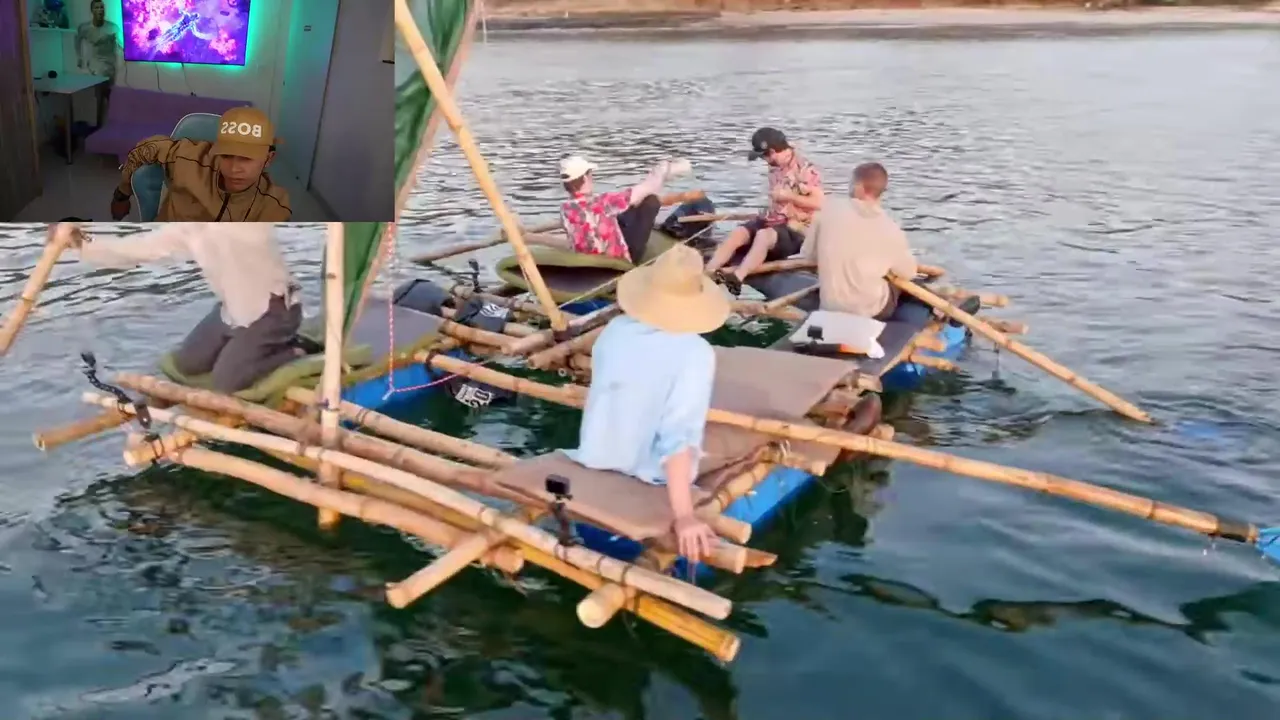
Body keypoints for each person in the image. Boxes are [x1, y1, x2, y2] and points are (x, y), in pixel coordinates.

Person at [565, 244, 731, 563]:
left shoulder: (614, 330)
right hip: (643, 488)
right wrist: (684, 516)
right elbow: (677, 438)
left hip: (593, 469)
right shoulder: (694, 354)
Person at [50, 222, 304, 394]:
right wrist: (82, 242)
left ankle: (294, 352)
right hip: (232, 311)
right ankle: (252, 347)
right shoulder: (189, 227)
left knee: (226, 381)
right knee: (187, 364)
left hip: (273, 311)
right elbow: (138, 249)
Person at [111, 107, 292, 222]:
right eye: (226, 155)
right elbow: (146, 149)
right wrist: (122, 194)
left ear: (268, 159)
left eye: (246, 158)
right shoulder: (191, 158)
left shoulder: (273, 204)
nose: (234, 169)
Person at [705, 127, 824, 295]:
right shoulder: (775, 166)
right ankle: (707, 273)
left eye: (764, 156)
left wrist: (789, 197)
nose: (764, 161)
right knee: (739, 233)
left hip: (796, 228)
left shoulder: (806, 170)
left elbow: (820, 203)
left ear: (773, 152)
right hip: (773, 219)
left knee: (763, 236)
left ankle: (737, 277)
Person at [558, 156, 689, 263]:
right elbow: (647, 187)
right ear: (585, 178)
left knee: (627, 208)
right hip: (618, 262)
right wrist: (662, 170)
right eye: (590, 174)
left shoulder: (565, 209)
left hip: (589, 259)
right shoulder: (602, 202)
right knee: (651, 201)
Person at [76, 0, 119, 125]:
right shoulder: (84, 28)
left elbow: (121, 43)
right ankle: (99, 126)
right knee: (99, 98)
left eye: (102, 7)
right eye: (97, 8)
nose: (100, 10)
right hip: (96, 69)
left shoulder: (112, 27)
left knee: (109, 97)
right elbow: (77, 40)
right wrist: (80, 58)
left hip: (110, 68)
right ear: (92, 10)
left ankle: (107, 125)